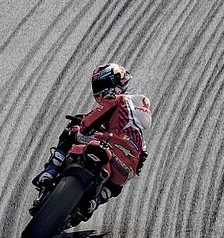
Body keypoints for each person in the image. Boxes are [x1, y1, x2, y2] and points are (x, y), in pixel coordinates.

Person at [33, 63, 151, 223]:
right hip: (127, 164)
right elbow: (142, 157)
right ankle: (94, 202)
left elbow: (87, 124)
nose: (99, 90)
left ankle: (50, 171)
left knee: (71, 132)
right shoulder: (139, 115)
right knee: (117, 184)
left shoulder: (117, 100)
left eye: (102, 84)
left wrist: (80, 127)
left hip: (108, 144)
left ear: (116, 82)